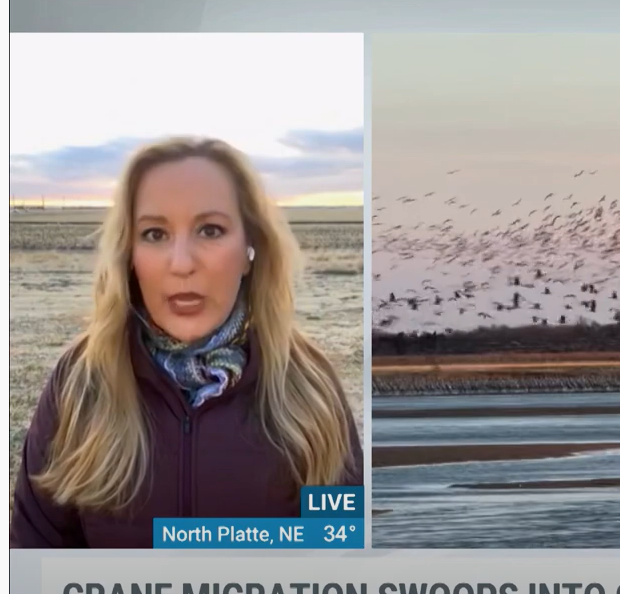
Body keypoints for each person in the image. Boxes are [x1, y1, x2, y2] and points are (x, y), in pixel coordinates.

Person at [9, 137, 364, 548]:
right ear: (130, 254)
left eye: (210, 230)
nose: (181, 264)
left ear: (250, 247)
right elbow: (36, 563)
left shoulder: (308, 386)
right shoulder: (81, 382)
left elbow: (339, 554)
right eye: (155, 234)